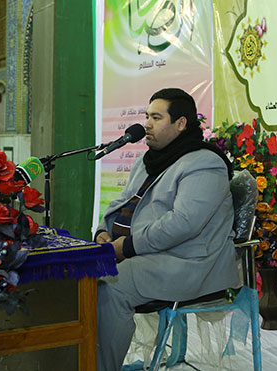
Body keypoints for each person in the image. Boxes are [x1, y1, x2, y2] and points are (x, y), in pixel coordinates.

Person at [95, 88, 239, 371]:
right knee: (80, 279)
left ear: (181, 123)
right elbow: (121, 203)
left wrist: (127, 247)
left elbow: (183, 223)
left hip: (187, 262)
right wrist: (103, 232)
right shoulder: (148, 161)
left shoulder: (205, 162)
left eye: (156, 118)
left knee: (109, 286)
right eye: (147, 116)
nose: (147, 124)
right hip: (146, 255)